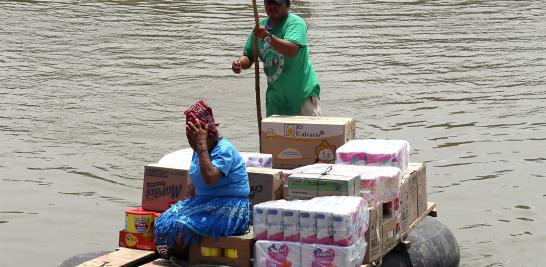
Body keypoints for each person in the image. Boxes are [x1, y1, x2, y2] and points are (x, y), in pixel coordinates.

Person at [154, 100, 250, 260]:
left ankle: (186, 257)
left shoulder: (223, 149)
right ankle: (178, 253)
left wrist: (201, 146)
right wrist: (194, 188)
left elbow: (211, 176)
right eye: (189, 137)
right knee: (164, 220)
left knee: (181, 226)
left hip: (229, 207)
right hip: (205, 202)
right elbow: (200, 178)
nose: (190, 142)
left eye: (193, 137)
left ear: (207, 134)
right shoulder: (198, 150)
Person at [232, 0, 321, 117]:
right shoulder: (258, 29)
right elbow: (249, 56)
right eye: (269, 2)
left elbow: (291, 49)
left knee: (309, 134)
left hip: (302, 96)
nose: (272, 6)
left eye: (277, 3)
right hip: (276, 100)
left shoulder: (295, 23)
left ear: (288, 5)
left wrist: (266, 36)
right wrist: (240, 63)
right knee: (275, 135)